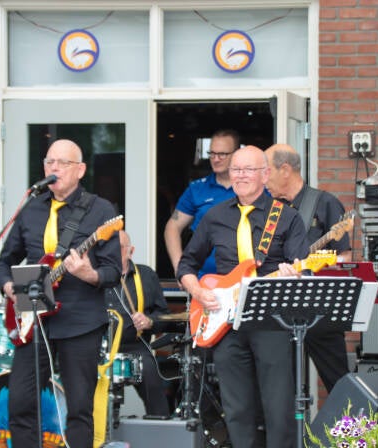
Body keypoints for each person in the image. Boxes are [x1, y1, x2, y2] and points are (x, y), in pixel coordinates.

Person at [176, 145, 309, 448]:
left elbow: (303, 267)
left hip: (272, 322)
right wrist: (198, 291)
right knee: (236, 409)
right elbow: (187, 264)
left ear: (265, 174)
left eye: (249, 169)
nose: (240, 175)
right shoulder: (215, 216)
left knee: (279, 407)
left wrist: (295, 273)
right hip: (226, 325)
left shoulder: (287, 217)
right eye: (236, 169)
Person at [0, 139, 121, 448]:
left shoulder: (101, 210)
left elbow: (113, 272)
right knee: (20, 404)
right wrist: (10, 287)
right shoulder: (31, 209)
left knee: (79, 409)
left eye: (63, 163)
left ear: (81, 170)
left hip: (80, 322)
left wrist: (88, 273)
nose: (54, 168)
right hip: (34, 322)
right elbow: (2, 264)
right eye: (50, 162)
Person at [264, 143, 352, 393]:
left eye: (266, 171)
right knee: (281, 385)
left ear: (285, 170)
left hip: (318, 306)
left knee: (338, 381)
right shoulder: (270, 209)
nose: (262, 178)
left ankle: (351, 419)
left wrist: (313, 268)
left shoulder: (325, 203)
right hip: (279, 307)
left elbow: (344, 257)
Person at [105, 230, 171, 416]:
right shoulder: (94, 275)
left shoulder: (146, 275)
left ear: (131, 251)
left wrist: (149, 321)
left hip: (134, 345)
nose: (111, 252)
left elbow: (164, 316)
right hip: (99, 347)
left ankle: (159, 424)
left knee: (152, 380)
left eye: (118, 248)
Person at [164, 129, 239, 278]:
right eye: (212, 153)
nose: (215, 159)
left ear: (236, 154)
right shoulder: (197, 189)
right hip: (203, 280)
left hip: (243, 276)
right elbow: (172, 227)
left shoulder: (250, 188)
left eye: (222, 154)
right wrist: (181, 269)